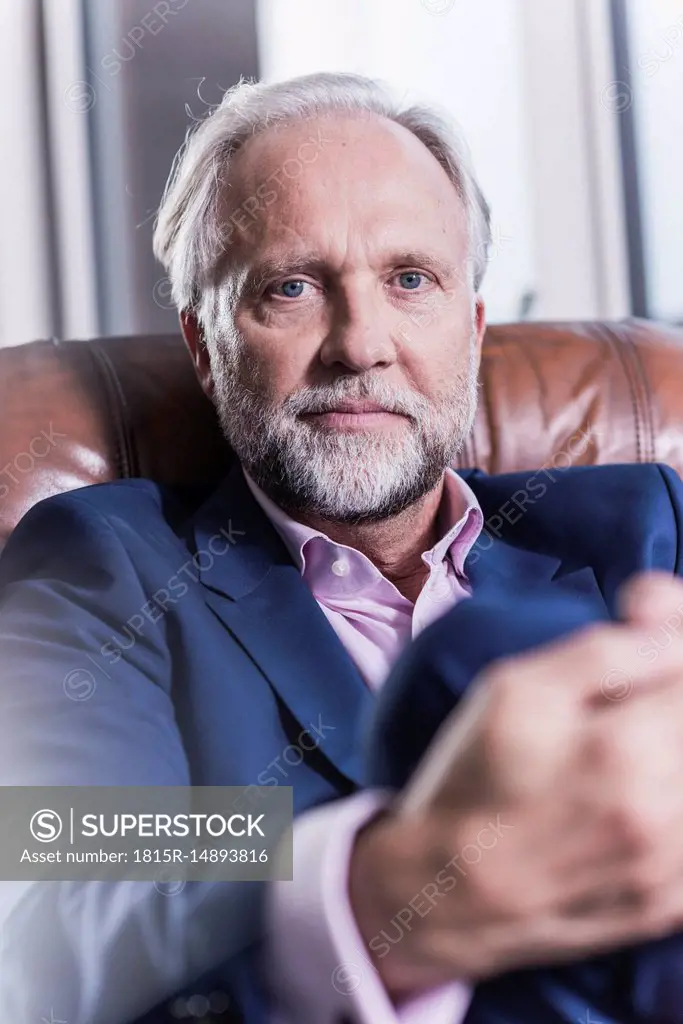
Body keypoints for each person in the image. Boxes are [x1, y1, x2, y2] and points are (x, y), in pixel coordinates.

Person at [2, 70, 683, 1024]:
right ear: (204, 346)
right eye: (290, 288)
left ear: (471, 330)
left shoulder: (643, 527)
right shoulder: (104, 569)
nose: (360, 343)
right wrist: (387, 894)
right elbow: (59, 924)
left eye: (411, 280)